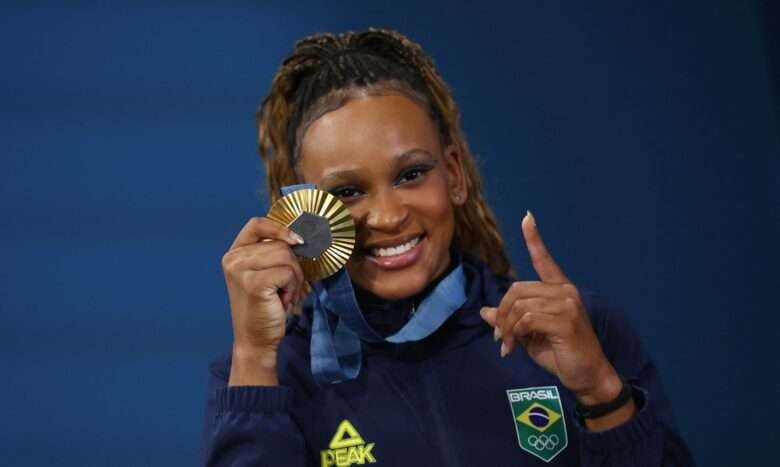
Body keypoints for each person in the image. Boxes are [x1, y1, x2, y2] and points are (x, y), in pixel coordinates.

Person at [201, 28, 694, 466]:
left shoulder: (577, 330)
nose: (389, 216)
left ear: (454, 175)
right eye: (347, 192)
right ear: (305, 210)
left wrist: (601, 393)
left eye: (411, 174)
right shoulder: (268, 373)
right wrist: (254, 360)